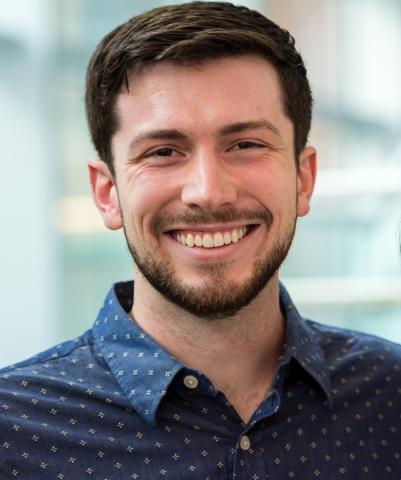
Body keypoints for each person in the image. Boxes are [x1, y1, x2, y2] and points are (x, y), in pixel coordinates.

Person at [1, 2, 400, 478]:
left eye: (246, 145)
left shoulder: (391, 396)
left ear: (303, 178)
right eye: (163, 151)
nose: (208, 192)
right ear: (107, 194)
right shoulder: (13, 432)